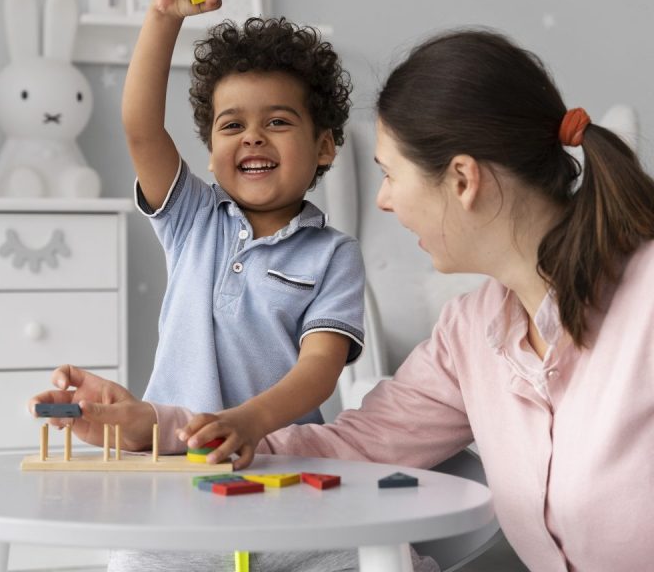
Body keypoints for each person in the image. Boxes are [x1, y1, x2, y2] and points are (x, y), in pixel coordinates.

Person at [32, 28, 654, 572]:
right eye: (233, 125)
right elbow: (352, 447)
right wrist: (156, 427)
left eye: (389, 174)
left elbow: (321, 382)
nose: (384, 200)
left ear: (462, 180)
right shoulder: (469, 335)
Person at [120, 0, 365, 452]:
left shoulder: (334, 255)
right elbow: (141, 128)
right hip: (174, 451)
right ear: (211, 154)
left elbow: (320, 369)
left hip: (276, 458)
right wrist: (164, 18)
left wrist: (249, 423)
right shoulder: (192, 218)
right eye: (232, 126)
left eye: (277, 121)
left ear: (324, 147)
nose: (252, 137)